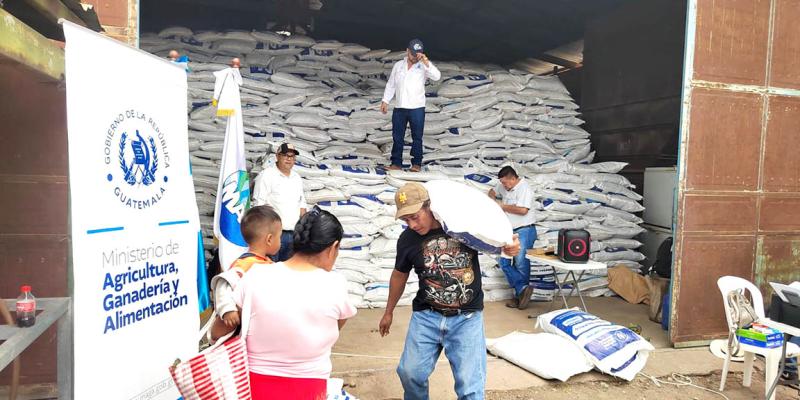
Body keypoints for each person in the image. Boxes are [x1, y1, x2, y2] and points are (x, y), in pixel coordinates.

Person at [379, 182, 520, 400]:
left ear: (429, 207)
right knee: (409, 373)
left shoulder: (461, 227)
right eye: (406, 220)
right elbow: (399, 274)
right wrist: (388, 311)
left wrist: (510, 247)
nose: (412, 224)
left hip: (466, 319)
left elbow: (498, 243)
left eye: (415, 216)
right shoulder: (407, 239)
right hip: (427, 316)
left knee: (470, 389)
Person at [211, 206, 356, 400]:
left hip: (254, 388)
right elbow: (334, 327)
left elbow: (217, 333)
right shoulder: (335, 284)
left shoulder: (255, 275)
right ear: (333, 247)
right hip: (310, 389)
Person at [210, 205, 282, 329]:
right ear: (269, 239)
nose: (280, 241)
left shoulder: (268, 263)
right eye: (279, 237)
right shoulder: (245, 264)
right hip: (242, 326)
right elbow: (224, 284)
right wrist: (227, 309)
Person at [381, 39, 441, 172]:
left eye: (418, 54)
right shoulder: (398, 65)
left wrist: (426, 62)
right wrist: (385, 100)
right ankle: (396, 163)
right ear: (407, 51)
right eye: (413, 54)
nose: (415, 57)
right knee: (397, 137)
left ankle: (416, 164)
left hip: (417, 108)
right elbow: (391, 84)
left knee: (417, 137)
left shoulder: (424, 66)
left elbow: (437, 76)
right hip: (400, 107)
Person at [487, 166, 537, 310]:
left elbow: (522, 210)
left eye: (505, 183)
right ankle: (523, 290)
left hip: (524, 230)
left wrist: (501, 206)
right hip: (509, 231)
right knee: (504, 262)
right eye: (502, 183)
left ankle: (519, 298)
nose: (503, 186)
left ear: (513, 178)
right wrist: (493, 200)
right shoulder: (503, 185)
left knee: (520, 264)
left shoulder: (524, 188)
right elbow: (492, 191)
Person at [252, 143, 307, 262]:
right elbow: (259, 206)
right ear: (277, 156)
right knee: (271, 271)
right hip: (273, 235)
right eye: (285, 155)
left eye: (292, 156)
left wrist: (302, 232)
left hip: (293, 234)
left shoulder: (296, 178)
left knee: (288, 272)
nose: (289, 159)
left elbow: (302, 205)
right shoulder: (267, 175)